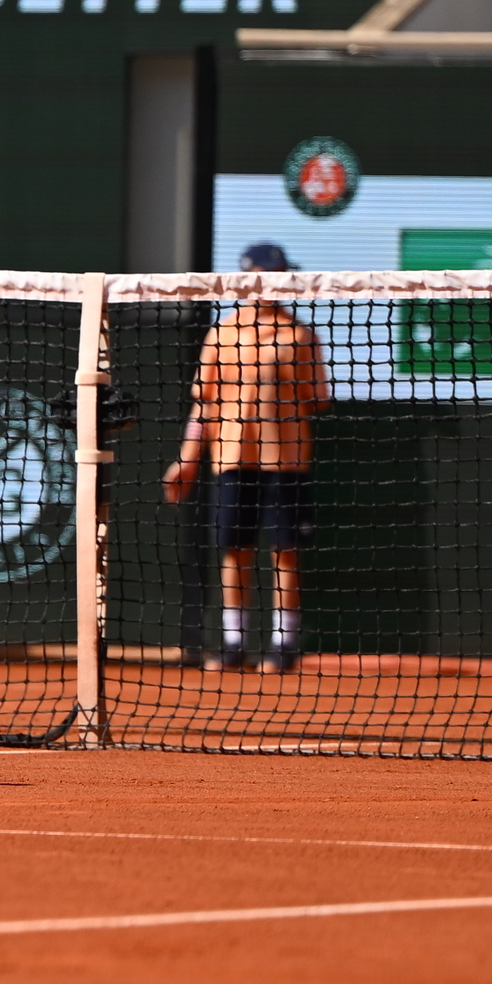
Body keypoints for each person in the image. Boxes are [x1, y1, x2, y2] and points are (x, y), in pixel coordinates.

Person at [163, 242, 329, 673]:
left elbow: (316, 398)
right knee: (234, 550)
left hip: (286, 461)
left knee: (284, 551)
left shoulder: (301, 335)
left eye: (280, 274)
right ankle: (234, 644)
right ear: (248, 278)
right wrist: (187, 458)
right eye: (268, 274)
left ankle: (283, 645)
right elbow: (204, 404)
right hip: (231, 460)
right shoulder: (222, 333)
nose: (275, 283)